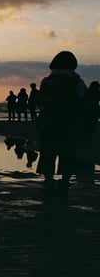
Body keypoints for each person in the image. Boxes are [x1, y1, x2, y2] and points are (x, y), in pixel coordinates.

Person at [35, 50, 87, 194]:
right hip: (69, 122)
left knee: (48, 151)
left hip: (49, 121)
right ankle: (65, 180)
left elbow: (40, 102)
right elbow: (82, 102)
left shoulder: (48, 81)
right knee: (68, 152)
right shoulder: (78, 81)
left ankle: (49, 179)